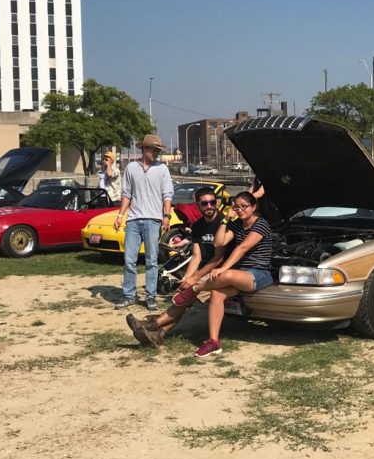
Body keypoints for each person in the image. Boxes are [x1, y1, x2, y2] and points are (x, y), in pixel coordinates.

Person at [170, 190, 273, 358]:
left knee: (225, 275)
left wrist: (223, 268)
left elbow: (242, 248)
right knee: (216, 294)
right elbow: (219, 242)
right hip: (240, 273)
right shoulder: (236, 224)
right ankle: (213, 341)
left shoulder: (261, 224)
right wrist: (225, 220)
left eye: (244, 206)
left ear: (253, 207)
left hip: (259, 274)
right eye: (237, 207)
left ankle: (194, 289)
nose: (240, 210)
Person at [126, 187, 225, 346]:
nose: (209, 206)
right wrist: (187, 277)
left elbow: (218, 258)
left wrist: (195, 278)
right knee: (183, 293)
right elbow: (196, 256)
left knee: (187, 295)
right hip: (205, 270)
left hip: (219, 271)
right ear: (197, 205)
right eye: (204, 203)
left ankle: (152, 324)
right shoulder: (198, 226)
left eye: (212, 202)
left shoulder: (222, 223)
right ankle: (158, 334)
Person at [114, 134, 174, 311]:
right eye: (153, 149)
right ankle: (129, 295)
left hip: (153, 220)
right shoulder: (131, 168)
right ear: (144, 149)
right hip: (133, 220)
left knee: (152, 261)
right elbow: (127, 194)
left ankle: (150, 296)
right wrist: (120, 215)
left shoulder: (162, 169)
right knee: (129, 260)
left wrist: (166, 216)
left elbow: (167, 194)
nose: (155, 153)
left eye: (157, 150)